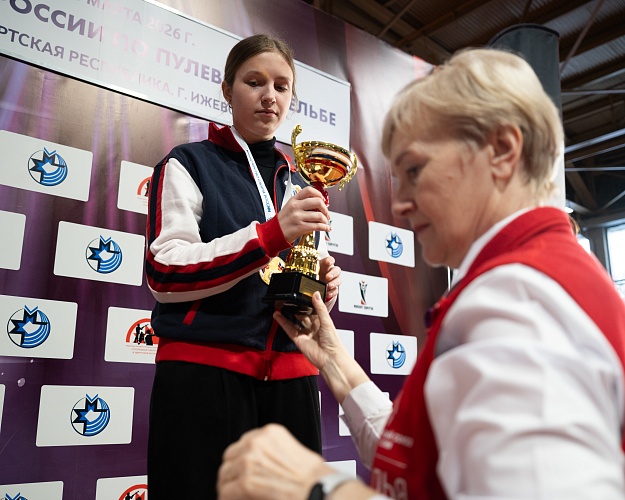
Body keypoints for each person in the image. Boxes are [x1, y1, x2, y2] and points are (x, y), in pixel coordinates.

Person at [216, 47, 625, 500]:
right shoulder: (527, 277)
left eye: (415, 169)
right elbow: (432, 463)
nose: (400, 204)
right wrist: (334, 360)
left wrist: (319, 489)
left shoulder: (523, 296)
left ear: (502, 151)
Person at [145, 33, 341, 499]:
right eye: (255, 82)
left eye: (281, 86)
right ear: (227, 90)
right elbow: (164, 272)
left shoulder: (300, 182)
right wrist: (271, 235)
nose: (270, 96)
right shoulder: (188, 163)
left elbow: (295, 276)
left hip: (292, 379)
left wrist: (323, 284)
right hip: (206, 376)